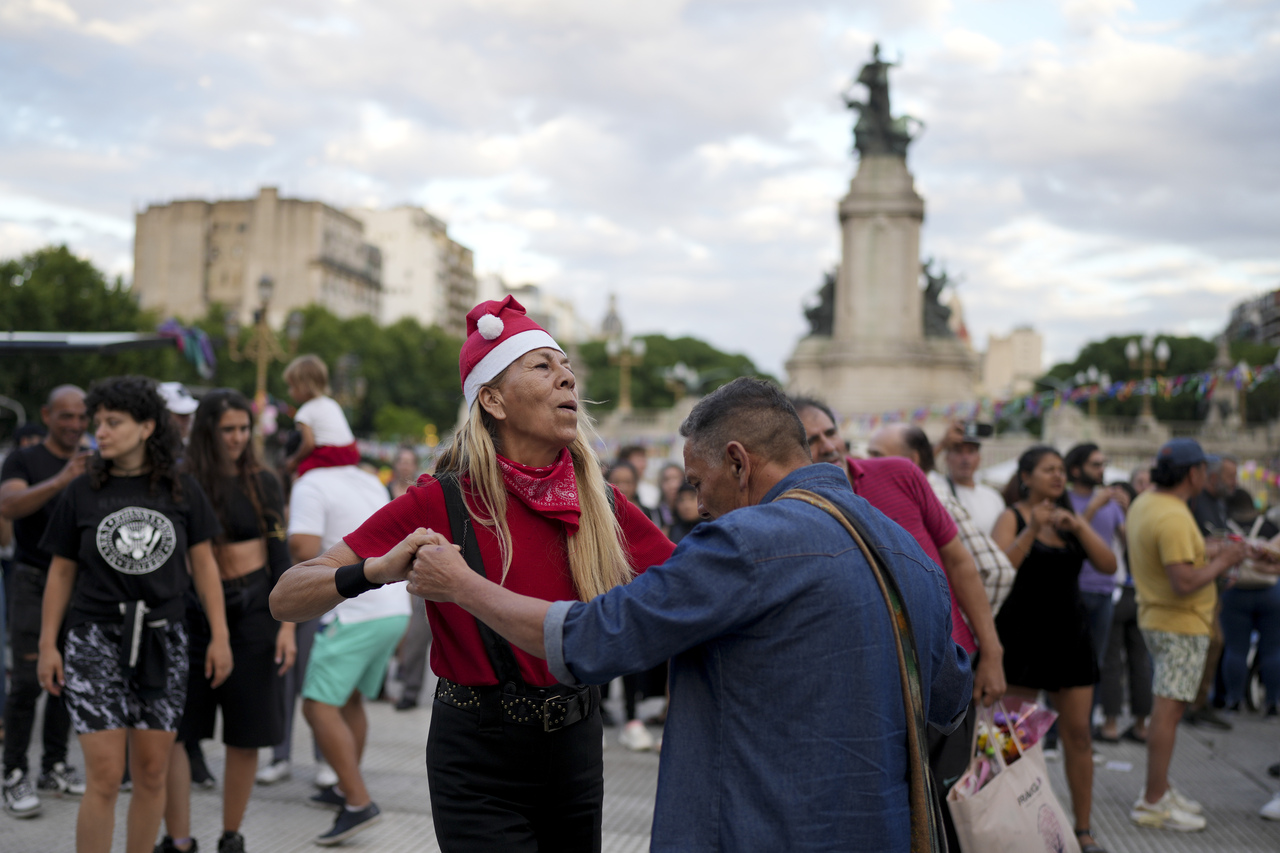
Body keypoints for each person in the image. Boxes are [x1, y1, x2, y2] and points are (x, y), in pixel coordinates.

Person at [402, 377, 972, 850]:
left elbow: (591, 639)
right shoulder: (906, 553)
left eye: (699, 482)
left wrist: (463, 586)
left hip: (760, 830)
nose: (698, 505)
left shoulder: (745, 544)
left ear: (738, 462)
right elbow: (950, 700)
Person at [271, 295, 674, 852]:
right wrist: (372, 570)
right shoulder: (440, 500)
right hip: (477, 755)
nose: (567, 378)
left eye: (567, 367)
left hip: (577, 747)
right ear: (493, 400)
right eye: (543, 366)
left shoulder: (600, 502)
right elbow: (286, 597)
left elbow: (684, 585)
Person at [794, 398, 1004, 853]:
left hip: (946, 671)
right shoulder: (794, 506)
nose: (829, 445)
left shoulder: (900, 474)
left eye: (830, 431)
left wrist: (992, 651)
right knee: (891, 818)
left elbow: (959, 562)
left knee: (955, 806)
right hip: (868, 692)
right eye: (812, 440)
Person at [35, 375, 232, 853]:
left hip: (165, 640)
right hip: (94, 640)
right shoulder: (80, 491)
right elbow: (60, 573)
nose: (98, 431)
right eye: (96, 422)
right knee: (104, 776)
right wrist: (47, 645)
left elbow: (204, 565)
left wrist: (220, 636)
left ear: (146, 427)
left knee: (151, 771)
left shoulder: (182, 489)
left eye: (111, 422)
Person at [156, 390, 293, 853]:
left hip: (255, 616)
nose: (237, 438)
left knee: (247, 731)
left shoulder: (263, 481)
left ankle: (231, 835)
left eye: (243, 429)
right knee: (175, 730)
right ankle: (177, 838)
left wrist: (288, 626)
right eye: (227, 429)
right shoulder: (178, 479)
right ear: (207, 430)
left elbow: (280, 559)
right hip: (190, 618)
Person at [992, 446, 1118, 853]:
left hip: (1071, 640)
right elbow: (997, 569)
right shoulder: (1011, 516)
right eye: (1049, 470)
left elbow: (1109, 565)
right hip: (1022, 642)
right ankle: (1013, 822)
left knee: (1078, 734)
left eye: (1062, 470)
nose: (1058, 477)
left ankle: (1083, 828)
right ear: (1026, 476)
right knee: (1012, 740)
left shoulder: (1071, 523)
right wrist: (1031, 530)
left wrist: (1079, 525)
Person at [280, 456, 410, 845]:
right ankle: (343, 786)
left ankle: (357, 801)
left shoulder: (311, 482)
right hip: (393, 608)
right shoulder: (367, 479)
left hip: (355, 612)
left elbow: (301, 547)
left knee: (316, 706)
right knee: (351, 702)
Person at [1125, 438, 1253, 832]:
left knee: (1168, 710)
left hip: (1160, 618)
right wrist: (1227, 560)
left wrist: (1225, 549)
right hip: (1179, 622)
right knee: (1169, 713)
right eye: (1206, 470)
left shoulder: (1147, 502)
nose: (1209, 476)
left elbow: (1182, 554)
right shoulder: (1175, 515)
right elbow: (1184, 580)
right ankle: (1153, 801)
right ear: (1194, 473)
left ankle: (1160, 788)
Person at [1, 385, 90, 818]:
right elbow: (9, 505)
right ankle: (13, 773)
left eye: (81, 416)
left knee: (67, 678)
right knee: (26, 681)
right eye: (66, 416)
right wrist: (62, 479)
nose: (75, 424)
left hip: (79, 584)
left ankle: (53, 765)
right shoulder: (25, 459)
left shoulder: (94, 459)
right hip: (33, 581)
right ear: (47, 415)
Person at [1183, 453, 1238, 730]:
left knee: (1215, 643)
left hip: (1214, 585)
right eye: (1230, 476)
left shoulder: (1219, 502)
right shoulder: (1192, 502)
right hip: (1195, 586)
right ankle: (1189, 704)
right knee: (1208, 642)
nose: (1235, 482)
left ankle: (1198, 702)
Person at [1063, 444, 1126, 680]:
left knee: (1094, 663)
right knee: (1065, 660)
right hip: (1074, 590)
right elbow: (1070, 537)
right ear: (1077, 470)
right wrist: (1092, 507)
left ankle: (1088, 716)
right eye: (1095, 464)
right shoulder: (1066, 500)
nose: (1102, 470)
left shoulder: (1111, 503)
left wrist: (1128, 509)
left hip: (1104, 591)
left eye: (1103, 464)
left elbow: (1128, 541)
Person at [1097, 480, 1152, 744]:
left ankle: (1110, 725)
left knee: (1112, 662)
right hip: (1139, 593)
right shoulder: (1141, 520)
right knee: (1139, 661)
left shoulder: (1108, 517)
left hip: (1118, 592)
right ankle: (1141, 725)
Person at [1218, 488, 1280, 716]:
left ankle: (1234, 700)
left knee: (1235, 649)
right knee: (1273, 650)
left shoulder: (1224, 526)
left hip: (1236, 591)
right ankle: (1273, 702)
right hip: (1270, 590)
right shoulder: (1269, 526)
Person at [283, 355, 359, 478]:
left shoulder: (304, 411)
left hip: (329, 454)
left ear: (302, 387)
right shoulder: (332, 403)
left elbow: (308, 444)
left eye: (292, 386)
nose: (289, 391)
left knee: (301, 473)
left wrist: (294, 460)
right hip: (351, 452)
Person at [935, 421, 1005, 534]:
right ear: (946, 458)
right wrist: (942, 444)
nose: (965, 458)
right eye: (958, 451)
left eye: (971, 451)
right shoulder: (936, 488)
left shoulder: (993, 497)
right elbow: (911, 470)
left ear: (979, 458)